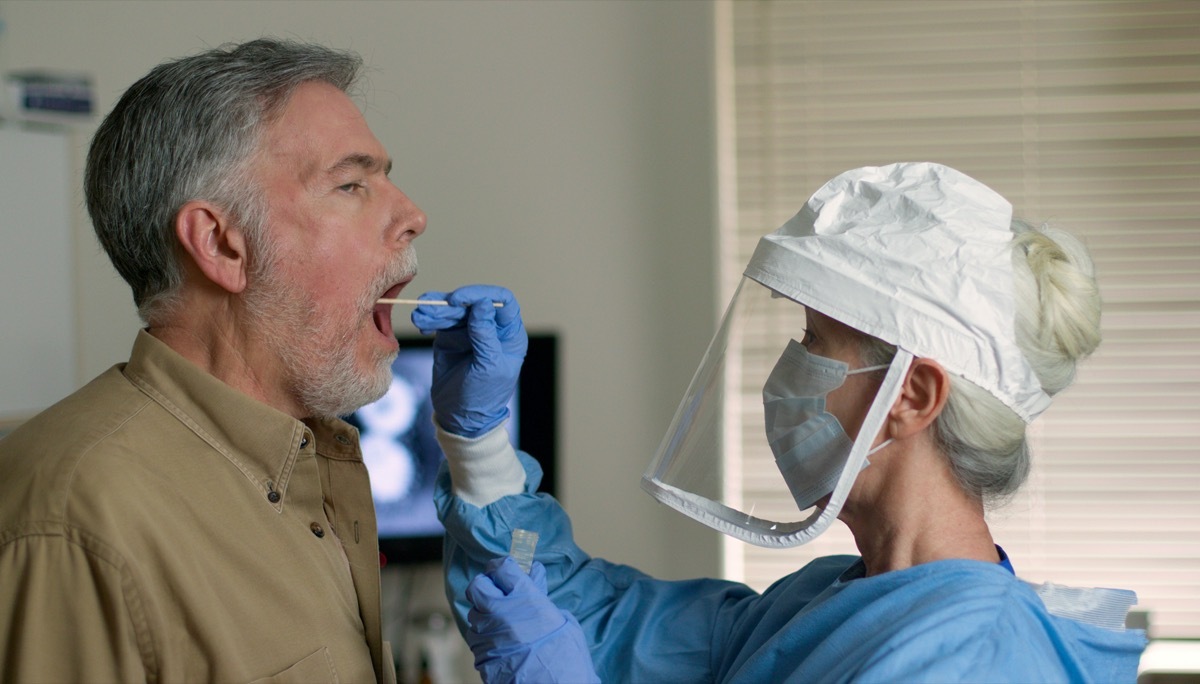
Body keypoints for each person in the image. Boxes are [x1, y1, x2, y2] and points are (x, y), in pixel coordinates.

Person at [414, 162, 1149, 682]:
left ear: (914, 395)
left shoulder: (972, 659)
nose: (787, 373)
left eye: (815, 343)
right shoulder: (828, 602)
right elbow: (591, 620)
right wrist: (478, 443)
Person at [0, 39, 431, 683]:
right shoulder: (75, 520)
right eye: (351, 184)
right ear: (221, 245)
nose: (413, 216)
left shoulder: (309, 469)